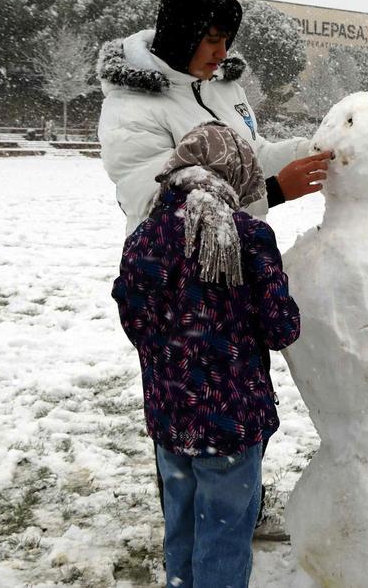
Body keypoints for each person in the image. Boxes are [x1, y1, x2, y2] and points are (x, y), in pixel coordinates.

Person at [112, 123, 301, 588]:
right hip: (230, 421)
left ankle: (180, 581)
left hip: (168, 414)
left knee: (182, 524)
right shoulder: (246, 235)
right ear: (235, 171)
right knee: (224, 532)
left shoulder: (144, 236)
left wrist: (175, 350)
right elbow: (281, 328)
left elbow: (134, 319)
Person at [97, 0, 330, 237]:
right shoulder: (131, 108)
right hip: (174, 271)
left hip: (242, 257)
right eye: (212, 40)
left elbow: (252, 158)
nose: (223, 54)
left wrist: (311, 151)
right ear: (182, 37)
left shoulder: (225, 88)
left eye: (226, 40)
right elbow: (162, 209)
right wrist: (275, 191)